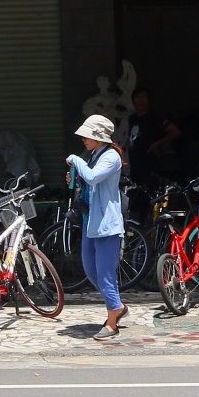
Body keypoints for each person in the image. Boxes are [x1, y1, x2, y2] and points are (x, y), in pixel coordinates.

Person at [66, 114, 128, 340]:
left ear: (99, 137)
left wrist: (75, 159)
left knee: (105, 275)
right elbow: (88, 181)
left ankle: (112, 322)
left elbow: (93, 177)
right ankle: (118, 306)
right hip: (90, 223)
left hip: (106, 226)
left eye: (87, 135)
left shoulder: (110, 156)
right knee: (91, 271)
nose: (83, 139)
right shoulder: (94, 155)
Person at [126, 88, 181, 185]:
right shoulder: (132, 118)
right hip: (135, 162)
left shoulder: (155, 117)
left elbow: (175, 131)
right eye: (138, 98)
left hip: (150, 162)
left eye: (144, 98)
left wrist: (157, 143)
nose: (141, 100)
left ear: (149, 101)